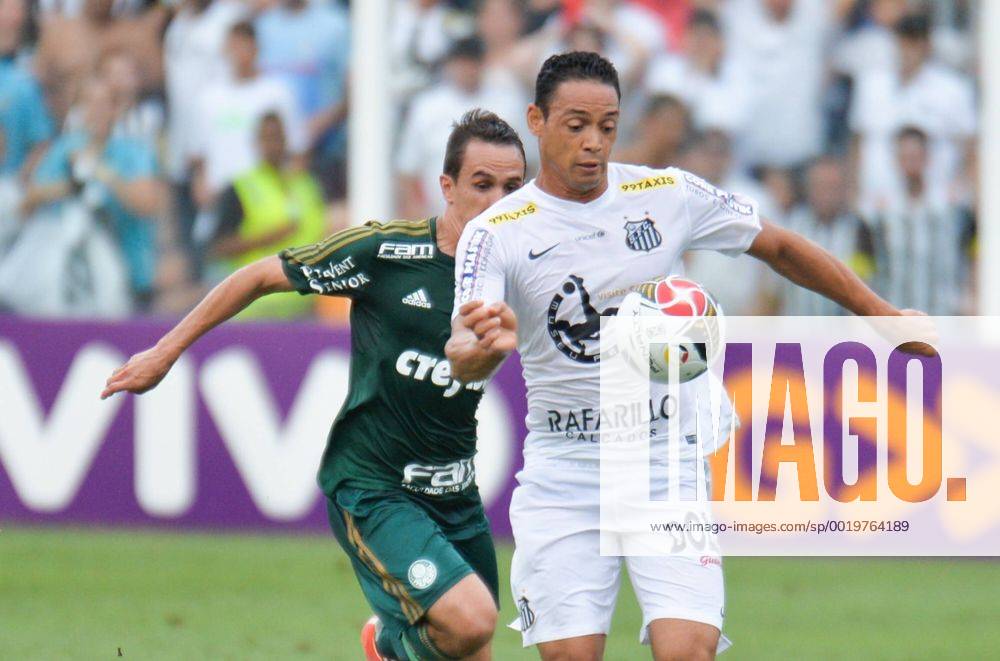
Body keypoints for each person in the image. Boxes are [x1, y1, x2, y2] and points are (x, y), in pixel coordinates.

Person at [447, 51, 931, 660]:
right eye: (575, 125)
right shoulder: (497, 231)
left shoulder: (666, 193)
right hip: (564, 471)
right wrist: (481, 351)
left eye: (608, 125)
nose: (593, 142)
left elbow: (777, 245)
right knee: (571, 655)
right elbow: (464, 344)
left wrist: (880, 316)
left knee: (688, 651)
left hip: (662, 460)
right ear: (537, 121)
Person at [101, 109, 528, 661]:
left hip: (456, 492)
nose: (498, 201)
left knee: (468, 644)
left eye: (513, 187)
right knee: (471, 622)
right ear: (445, 187)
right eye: (482, 184)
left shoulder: (519, 268)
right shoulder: (389, 253)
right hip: (376, 487)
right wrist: (164, 351)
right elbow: (258, 275)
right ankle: (387, 643)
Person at [208, 112, 326, 318]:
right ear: (256, 143)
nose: (273, 145)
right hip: (256, 307)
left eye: (277, 137)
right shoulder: (241, 188)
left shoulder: (307, 185)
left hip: (305, 307)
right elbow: (217, 248)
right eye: (266, 138)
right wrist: (267, 238)